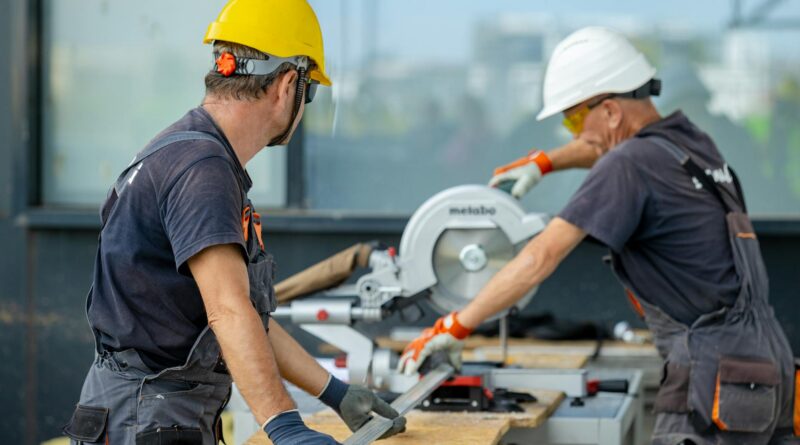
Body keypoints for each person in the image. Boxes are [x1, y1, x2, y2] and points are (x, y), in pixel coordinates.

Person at [399, 26, 797, 445]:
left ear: (610, 110)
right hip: (769, 368)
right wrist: (545, 162)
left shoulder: (628, 165)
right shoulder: (691, 143)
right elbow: (604, 146)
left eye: (573, 118)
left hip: (713, 380)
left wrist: (455, 326)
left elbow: (540, 258)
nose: (572, 134)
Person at [62, 1, 405, 444]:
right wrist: (286, 426)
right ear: (286, 85)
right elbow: (228, 310)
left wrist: (334, 393)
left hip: (148, 409)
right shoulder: (202, 169)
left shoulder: (184, 151)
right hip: (145, 418)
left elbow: (242, 314)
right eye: (310, 91)